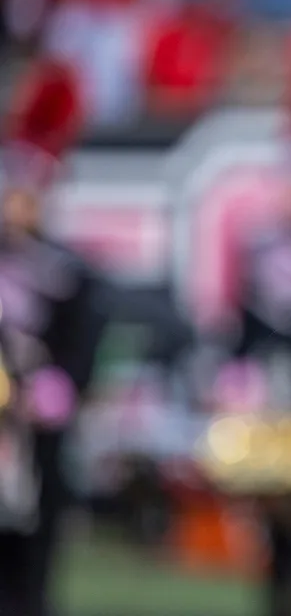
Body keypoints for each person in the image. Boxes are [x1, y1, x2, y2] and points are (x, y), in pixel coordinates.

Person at [0, 63, 106, 616]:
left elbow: (81, 343)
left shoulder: (68, 271)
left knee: (35, 545)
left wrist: (59, 384)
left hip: (39, 435)